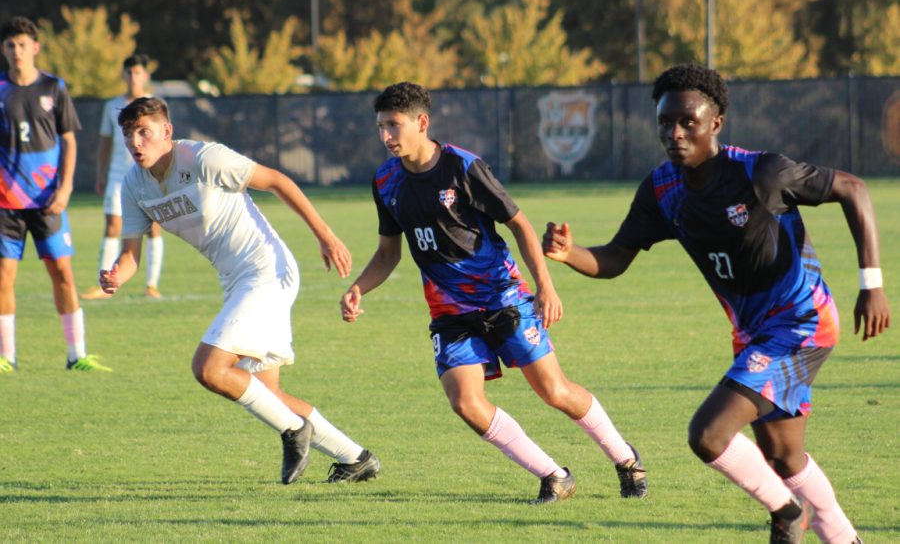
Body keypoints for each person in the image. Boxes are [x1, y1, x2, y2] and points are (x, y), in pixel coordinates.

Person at [542, 64, 889, 543]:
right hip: (753, 331)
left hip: (801, 321)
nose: (675, 133)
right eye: (665, 122)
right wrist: (568, 254)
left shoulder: (759, 172)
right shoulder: (663, 190)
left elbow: (853, 187)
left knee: (707, 434)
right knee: (783, 457)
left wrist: (871, 285)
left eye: (688, 122)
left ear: (716, 124)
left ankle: (787, 514)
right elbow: (616, 257)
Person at [340, 82, 646, 504]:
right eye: (380, 127)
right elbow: (389, 252)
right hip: (448, 310)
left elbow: (518, 223)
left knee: (554, 392)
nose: (386, 136)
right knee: (466, 402)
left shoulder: (462, 167)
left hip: (503, 298)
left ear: (421, 122)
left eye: (394, 125)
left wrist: (545, 285)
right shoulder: (385, 180)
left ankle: (626, 459)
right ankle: (555, 475)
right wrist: (359, 287)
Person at [99, 97, 379, 485]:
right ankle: (357, 458)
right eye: (129, 134)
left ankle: (293, 430)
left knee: (209, 369)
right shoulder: (133, 185)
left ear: (167, 131)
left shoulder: (203, 159)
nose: (136, 142)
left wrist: (326, 235)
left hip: (267, 270)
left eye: (144, 132)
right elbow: (131, 255)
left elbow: (278, 181)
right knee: (269, 397)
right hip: (236, 283)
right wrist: (116, 274)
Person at [0, 16, 111, 373]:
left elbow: (69, 142)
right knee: (4, 275)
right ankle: (6, 357)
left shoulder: (54, 88)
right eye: (10, 45)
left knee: (62, 272)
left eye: (22, 44)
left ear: (35, 47)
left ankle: (77, 355)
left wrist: (64, 189)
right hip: (6, 203)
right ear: (3, 50)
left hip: (49, 200)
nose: (17, 51)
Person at [81, 54, 165, 300]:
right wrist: (101, 174)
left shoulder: (155, 106)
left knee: (153, 228)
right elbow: (105, 142)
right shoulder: (112, 106)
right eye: (129, 72)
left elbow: (163, 142)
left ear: (146, 76)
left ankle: (151, 284)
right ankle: (105, 283)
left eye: (138, 72)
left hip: (148, 175)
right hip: (118, 176)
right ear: (123, 75)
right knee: (113, 227)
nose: (133, 77)